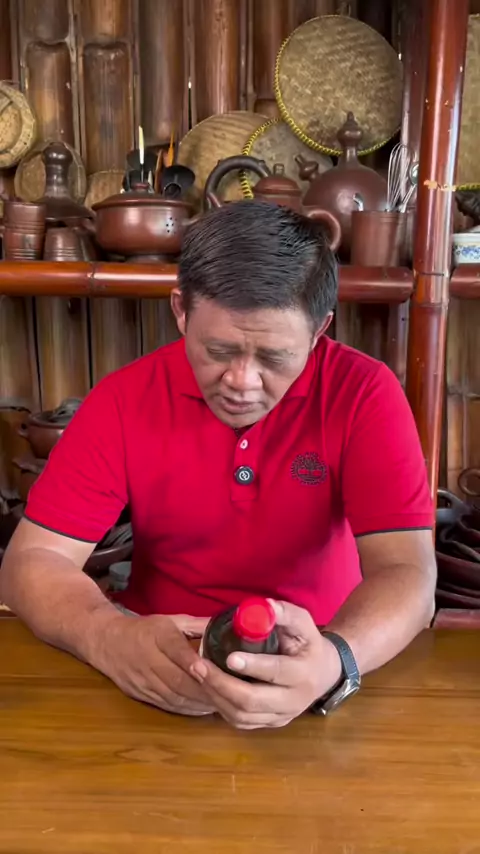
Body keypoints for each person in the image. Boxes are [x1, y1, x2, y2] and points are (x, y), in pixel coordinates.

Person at [0, 201, 436, 730]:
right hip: (157, 665)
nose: (241, 382)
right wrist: (106, 636)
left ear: (320, 329)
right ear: (181, 310)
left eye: (274, 358)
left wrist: (336, 659)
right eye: (219, 350)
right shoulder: (124, 399)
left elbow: (408, 573)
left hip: (319, 656)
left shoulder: (363, 394)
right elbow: (32, 562)